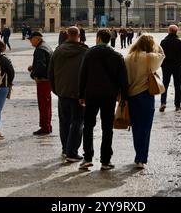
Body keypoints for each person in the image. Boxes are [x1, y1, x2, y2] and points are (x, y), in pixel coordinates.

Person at [78, 28, 128, 171]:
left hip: (91, 94)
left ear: (98, 38)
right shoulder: (116, 55)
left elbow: (82, 75)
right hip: (109, 96)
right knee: (107, 127)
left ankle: (87, 158)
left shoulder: (89, 54)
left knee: (88, 126)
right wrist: (123, 97)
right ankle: (105, 160)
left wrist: (81, 95)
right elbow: (123, 79)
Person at [49, 26, 88, 161]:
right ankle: (72, 151)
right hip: (79, 94)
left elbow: (51, 73)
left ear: (66, 35)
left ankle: (65, 148)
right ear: (78, 35)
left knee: (64, 122)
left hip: (63, 92)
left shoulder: (58, 51)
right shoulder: (84, 51)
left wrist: (56, 89)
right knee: (77, 122)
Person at [125, 34, 165, 169]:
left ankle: (138, 155)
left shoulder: (128, 58)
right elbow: (162, 55)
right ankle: (142, 157)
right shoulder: (150, 58)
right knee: (146, 127)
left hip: (131, 95)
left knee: (136, 127)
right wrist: (155, 44)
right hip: (146, 96)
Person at [28, 32, 53, 135]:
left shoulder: (40, 49)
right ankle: (48, 125)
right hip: (49, 80)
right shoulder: (46, 46)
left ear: (37, 39)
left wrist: (34, 75)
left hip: (43, 80)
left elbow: (41, 66)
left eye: (31, 39)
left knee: (43, 104)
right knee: (47, 104)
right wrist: (33, 68)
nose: (30, 41)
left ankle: (45, 127)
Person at [159, 25, 181, 112]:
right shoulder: (179, 42)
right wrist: (180, 64)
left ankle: (163, 103)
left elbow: (160, 55)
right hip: (176, 67)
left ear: (169, 31)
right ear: (176, 32)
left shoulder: (163, 42)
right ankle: (177, 105)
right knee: (177, 86)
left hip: (166, 66)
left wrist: (162, 64)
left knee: (165, 85)